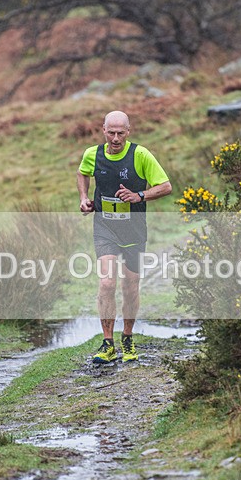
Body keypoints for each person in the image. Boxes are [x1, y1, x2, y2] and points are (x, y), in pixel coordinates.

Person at [77, 110, 172, 364]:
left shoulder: (140, 155)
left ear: (128, 131)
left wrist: (139, 196)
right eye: (111, 132)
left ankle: (127, 338)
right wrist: (84, 199)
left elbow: (165, 186)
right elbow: (82, 173)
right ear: (103, 130)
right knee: (107, 283)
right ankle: (107, 343)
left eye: (121, 133)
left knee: (130, 286)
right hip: (105, 228)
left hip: (134, 230)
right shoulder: (92, 154)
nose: (116, 138)